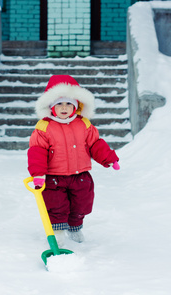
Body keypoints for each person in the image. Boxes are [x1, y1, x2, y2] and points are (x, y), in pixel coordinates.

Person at [27, 75, 120, 245]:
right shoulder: (44, 127)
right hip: (54, 177)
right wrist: (38, 174)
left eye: (69, 103)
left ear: (77, 106)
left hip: (81, 176)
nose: (64, 108)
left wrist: (109, 158)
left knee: (82, 205)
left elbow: (96, 144)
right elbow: (37, 151)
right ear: (51, 106)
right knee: (56, 206)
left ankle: (75, 227)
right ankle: (58, 233)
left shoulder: (84, 124)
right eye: (59, 103)